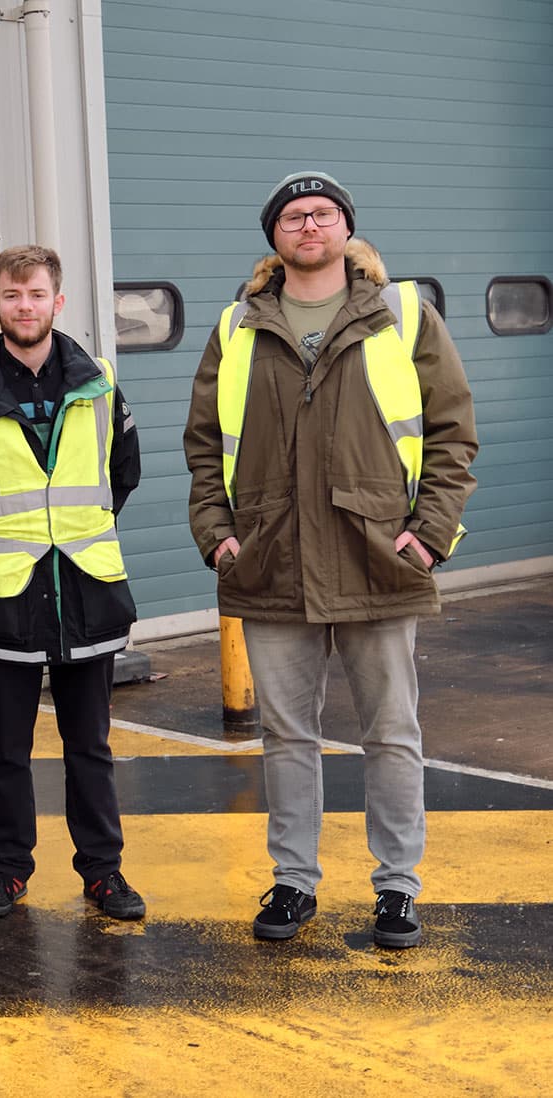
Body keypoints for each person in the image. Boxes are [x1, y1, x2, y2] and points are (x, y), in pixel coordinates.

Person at [183, 170, 478, 948]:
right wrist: (218, 535)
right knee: (287, 738)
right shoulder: (236, 327)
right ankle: (292, 882)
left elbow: (452, 434)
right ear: (272, 237)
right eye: (291, 216)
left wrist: (430, 532)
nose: (307, 226)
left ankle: (397, 888)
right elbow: (205, 447)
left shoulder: (403, 313)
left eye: (323, 214)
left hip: (379, 557)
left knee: (392, 733)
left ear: (347, 228)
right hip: (271, 560)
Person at [0, 244, 145, 923]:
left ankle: (103, 874)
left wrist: (66, 537)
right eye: (12, 295)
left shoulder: (101, 385)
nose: (25, 306)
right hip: (4, 599)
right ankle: (8, 872)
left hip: (88, 589)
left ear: (59, 301)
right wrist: (18, 546)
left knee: (91, 747)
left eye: (37, 294)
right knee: (6, 751)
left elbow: (122, 475)